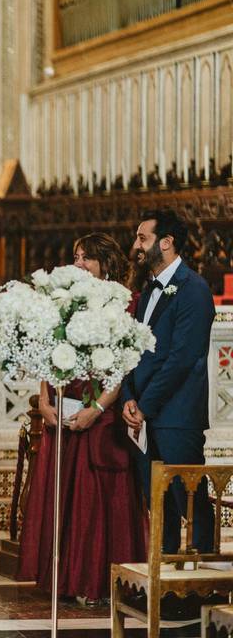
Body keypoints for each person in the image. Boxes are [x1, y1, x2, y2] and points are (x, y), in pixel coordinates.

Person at [16, 233, 148, 604]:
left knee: (98, 496)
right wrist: (44, 401)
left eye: (87, 258)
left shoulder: (124, 303)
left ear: (106, 262)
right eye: (76, 256)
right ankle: (67, 579)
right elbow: (47, 352)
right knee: (66, 496)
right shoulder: (64, 301)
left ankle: (100, 582)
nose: (79, 264)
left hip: (100, 412)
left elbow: (124, 365)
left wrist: (100, 407)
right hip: (65, 407)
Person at [122, 210, 216, 554]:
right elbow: (134, 350)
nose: (136, 246)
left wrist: (145, 406)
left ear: (167, 242)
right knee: (158, 505)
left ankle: (203, 582)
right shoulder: (147, 291)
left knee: (191, 502)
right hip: (146, 416)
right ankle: (165, 585)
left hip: (177, 418)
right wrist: (129, 399)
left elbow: (182, 358)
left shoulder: (194, 290)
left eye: (143, 238)